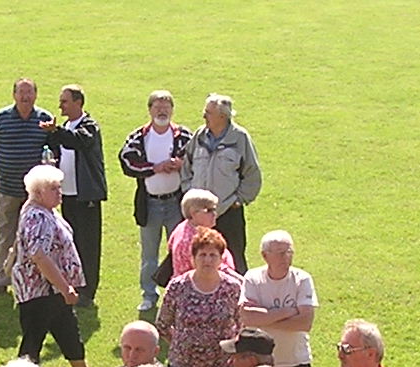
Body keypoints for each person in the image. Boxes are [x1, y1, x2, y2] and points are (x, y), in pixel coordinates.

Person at [11, 164, 98, 367]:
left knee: (68, 331)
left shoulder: (46, 210)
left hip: (51, 291)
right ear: (38, 192)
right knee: (32, 342)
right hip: (40, 291)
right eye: (53, 188)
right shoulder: (37, 216)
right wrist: (64, 287)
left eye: (59, 187)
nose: (59, 192)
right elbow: (39, 255)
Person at [117, 89, 192, 317]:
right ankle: (148, 295)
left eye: (166, 107)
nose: (162, 111)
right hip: (149, 204)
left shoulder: (184, 136)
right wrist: (154, 168)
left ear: (172, 110)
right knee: (149, 255)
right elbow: (126, 162)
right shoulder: (139, 136)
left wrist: (181, 164)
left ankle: (179, 296)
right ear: (149, 110)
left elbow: (196, 160)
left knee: (179, 251)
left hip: (176, 204)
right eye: (157, 107)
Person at [0, 77, 53, 294]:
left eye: (29, 93)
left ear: (36, 95)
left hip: (37, 193)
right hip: (8, 189)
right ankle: (1, 281)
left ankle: (40, 279)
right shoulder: (0, 119)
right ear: (14, 95)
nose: (25, 97)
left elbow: (54, 151)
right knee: (6, 235)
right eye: (21, 92)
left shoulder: (45, 119)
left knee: (41, 236)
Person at [40, 84, 106, 298]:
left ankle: (88, 291)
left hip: (86, 196)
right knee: (70, 243)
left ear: (78, 102)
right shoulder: (67, 125)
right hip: (66, 196)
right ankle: (73, 285)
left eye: (65, 101)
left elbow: (79, 141)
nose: (60, 105)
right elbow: (58, 146)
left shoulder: (89, 126)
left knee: (88, 245)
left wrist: (56, 132)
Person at [157, 228, 243, 367]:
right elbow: (162, 324)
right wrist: (179, 343)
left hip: (222, 366)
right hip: (183, 365)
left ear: (221, 259)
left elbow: (242, 325)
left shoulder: (233, 288)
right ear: (193, 258)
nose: (207, 260)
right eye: (202, 255)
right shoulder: (178, 286)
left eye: (213, 255)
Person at [183, 93, 262, 268]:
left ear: (222, 116)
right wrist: (188, 193)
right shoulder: (199, 136)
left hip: (228, 213)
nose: (204, 116)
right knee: (197, 258)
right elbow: (186, 167)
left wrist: (238, 200)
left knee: (234, 261)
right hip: (199, 215)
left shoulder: (240, 138)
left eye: (208, 112)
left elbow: (252, 173)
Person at [239, 230, 317, 367]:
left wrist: (264, 320)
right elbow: (246, 317)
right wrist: (288, 312)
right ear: (265, 256)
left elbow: (305, 323)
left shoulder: (302, 279)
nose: (286, 258)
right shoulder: (252, 278)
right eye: (281, 253)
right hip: (260, 365)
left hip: (296, 362)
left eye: (289, 252)